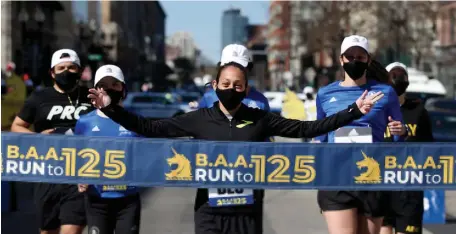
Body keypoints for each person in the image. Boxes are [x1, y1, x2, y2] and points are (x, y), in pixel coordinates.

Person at [88, 43, 382, 234]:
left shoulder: (258, 118)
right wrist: (111, 109)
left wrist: (353, 111)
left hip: (247, 212)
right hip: (209, 214)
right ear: (215, 85)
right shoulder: (198, 118)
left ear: (246, 88)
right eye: (226, 84)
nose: (231, 88)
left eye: (238, 85)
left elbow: (308, 129)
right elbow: (149, 127)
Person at [314, 35, 408, 234]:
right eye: (350, 57)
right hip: (336, 178)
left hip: (371, 177)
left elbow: (399, 133)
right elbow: (320, 136)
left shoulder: (385, 93)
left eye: (360, 57)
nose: (354, 61)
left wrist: (402, 130)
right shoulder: (325, 94)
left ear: (368, 60)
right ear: (341, 59)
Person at [11, 49, 93, 234]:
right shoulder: (39, 98)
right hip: (47, 173)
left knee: (72, 230)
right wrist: (38, 137)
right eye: (61, 67)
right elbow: (17, 126)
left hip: (80, 172)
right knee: (48, 231)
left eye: (72, 68)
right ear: (52, 72)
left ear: (80, 71)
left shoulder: (91, 97)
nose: (67, 71)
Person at [75, 65, 141, 234]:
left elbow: (148, 156)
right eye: (104, 85)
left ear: (123, 89)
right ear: (96, 90)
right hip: (96, 200)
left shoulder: (136, 121)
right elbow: (76, 156)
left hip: (128, 200)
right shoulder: (84, 122)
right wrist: (79, 177)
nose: (109, 89)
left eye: (115, 84)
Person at [380, 62, 434, 234]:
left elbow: (430, 147)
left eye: (401, 76)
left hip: (409, 186)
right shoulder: (375, 109)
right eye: (392, 76)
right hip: (381, 185)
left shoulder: (418, 111)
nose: (397, 79)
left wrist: (407, 133)